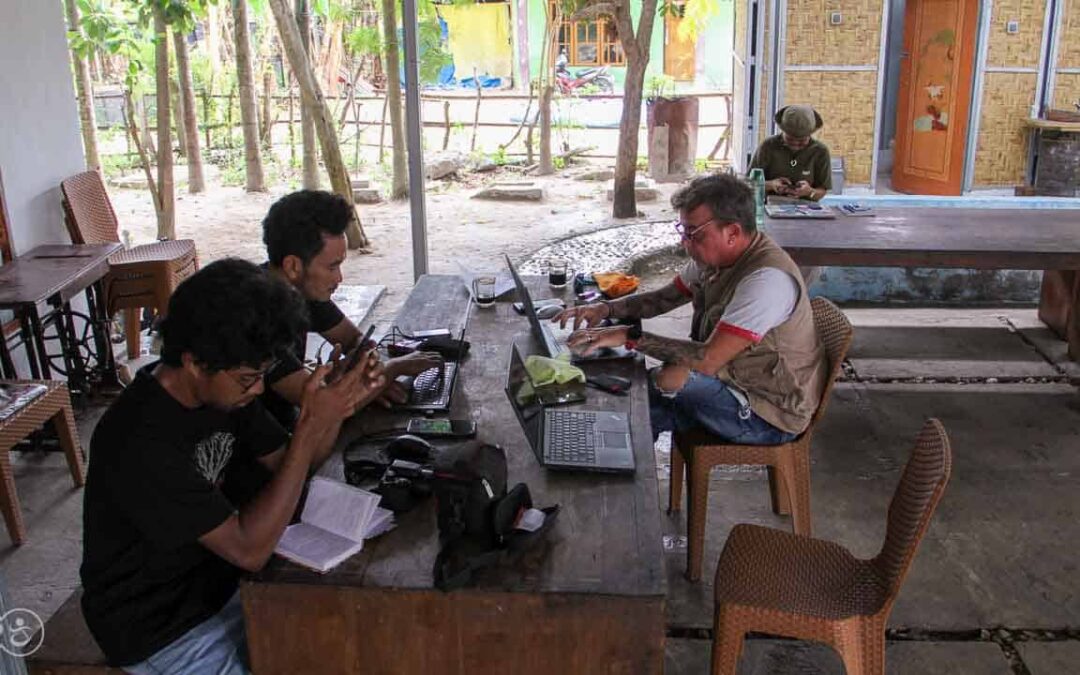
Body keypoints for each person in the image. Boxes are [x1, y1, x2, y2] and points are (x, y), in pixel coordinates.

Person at [80, 259, 385, 673]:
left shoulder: (224, 393)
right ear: (193, 362)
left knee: (353, 644)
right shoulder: (138, 440)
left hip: (223, 587)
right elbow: (250, 550)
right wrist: (311, 426)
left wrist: (331, 409)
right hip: (161, 628)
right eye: (247, 378)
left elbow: (293, 465)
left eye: (262, 374)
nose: (258, 388)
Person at [552, 173, 827, 445]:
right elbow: (663, 299)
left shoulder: (766, 280)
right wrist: (605, 309)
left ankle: (616, 449)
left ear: (732, 232)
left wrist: (629, 337)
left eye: (694, 233)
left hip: (768, 412)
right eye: (683, 231)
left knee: (665, 381)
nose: (685, 242)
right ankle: (612, 449)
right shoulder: (715, 260)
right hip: (734, 378)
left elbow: (707, 360)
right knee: (635, 397)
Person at [260, 190, 440, 427]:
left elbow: (355, 340)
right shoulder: (258, 315)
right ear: (293, 265)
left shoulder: (300, 289)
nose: (340, 278)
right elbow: (321, 406)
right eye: (332, 267)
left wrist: (370, 378)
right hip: (268, 452)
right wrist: (394, 369)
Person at [749, 105, 832, 201]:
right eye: (790, 139)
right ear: (783, 131)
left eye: (802, 141)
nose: (795, 144)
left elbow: (822, 190)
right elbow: (750, 183)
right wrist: (771, 185)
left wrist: (809, 192)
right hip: (770, 205)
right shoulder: (768, 146)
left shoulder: (820, 152)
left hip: (808, 208)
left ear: (810, 134)